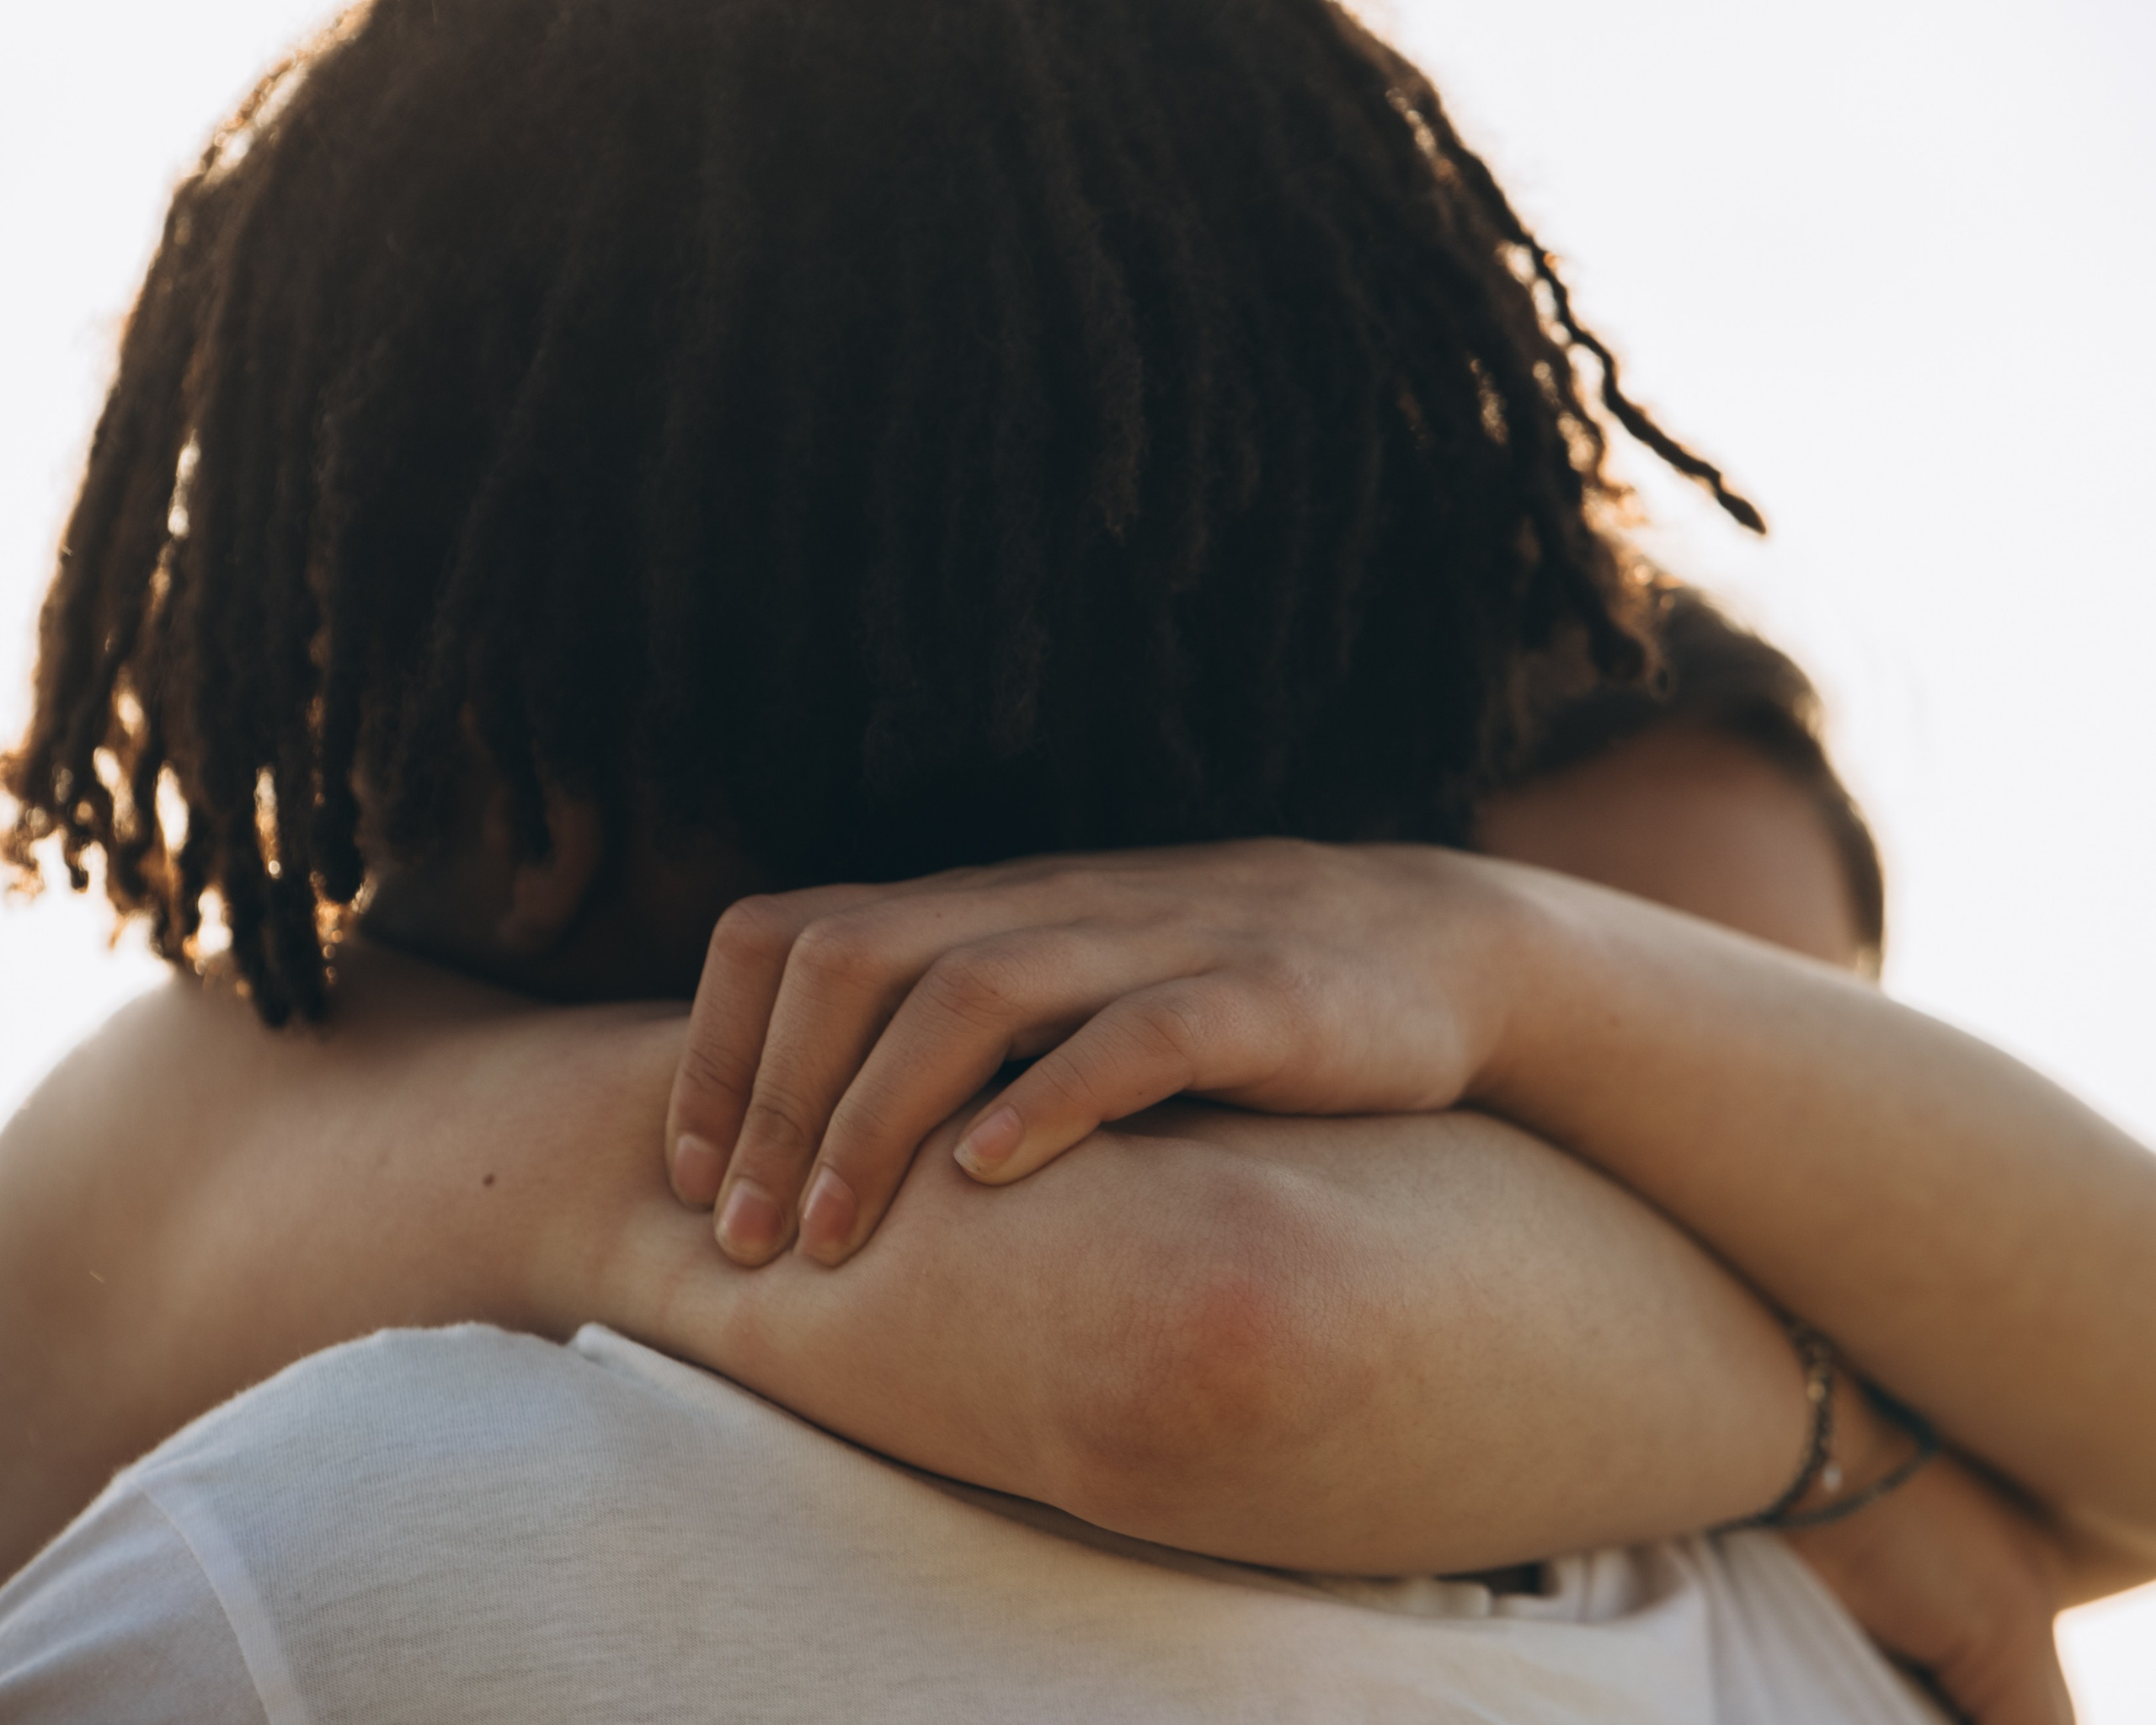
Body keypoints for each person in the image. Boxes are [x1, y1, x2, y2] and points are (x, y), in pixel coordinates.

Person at [0, 0, 2148, 1717]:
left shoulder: (305, 1467)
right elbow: (1216, 1306)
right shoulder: (236, 1188)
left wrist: (1502, 958)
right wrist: (1836, 1442)